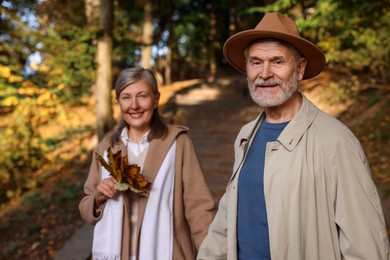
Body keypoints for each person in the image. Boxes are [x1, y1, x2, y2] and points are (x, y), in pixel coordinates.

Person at [197, 12, 390, 260]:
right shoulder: (246, 135)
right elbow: (228, 216)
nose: (265, 73)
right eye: (256, 62)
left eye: (277, 61)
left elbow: (366, 247)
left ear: (299, 69)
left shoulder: (336, 142)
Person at [79, 66, 216, 260]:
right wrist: (99, 196)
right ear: (117, 101)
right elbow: (86, 207)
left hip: (169, 253)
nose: (134, 105)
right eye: (126, 97)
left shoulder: (178, 143)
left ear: (156, 99)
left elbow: (200, 208)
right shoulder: (106, 148)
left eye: (142, 96)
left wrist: (210, 254)